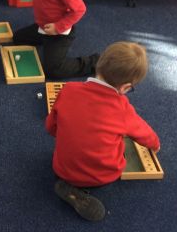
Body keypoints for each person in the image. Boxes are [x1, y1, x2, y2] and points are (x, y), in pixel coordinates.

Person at [45, 41, 160, 222]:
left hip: (60, 167)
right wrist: (155, 145)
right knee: (120, 144)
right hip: (102, 176)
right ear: (125, 87)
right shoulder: (122, 108)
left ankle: (70, 185)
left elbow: (51, 127)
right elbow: (144, 133)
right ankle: (81, 188)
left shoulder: (68, 89)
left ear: (99, 64)